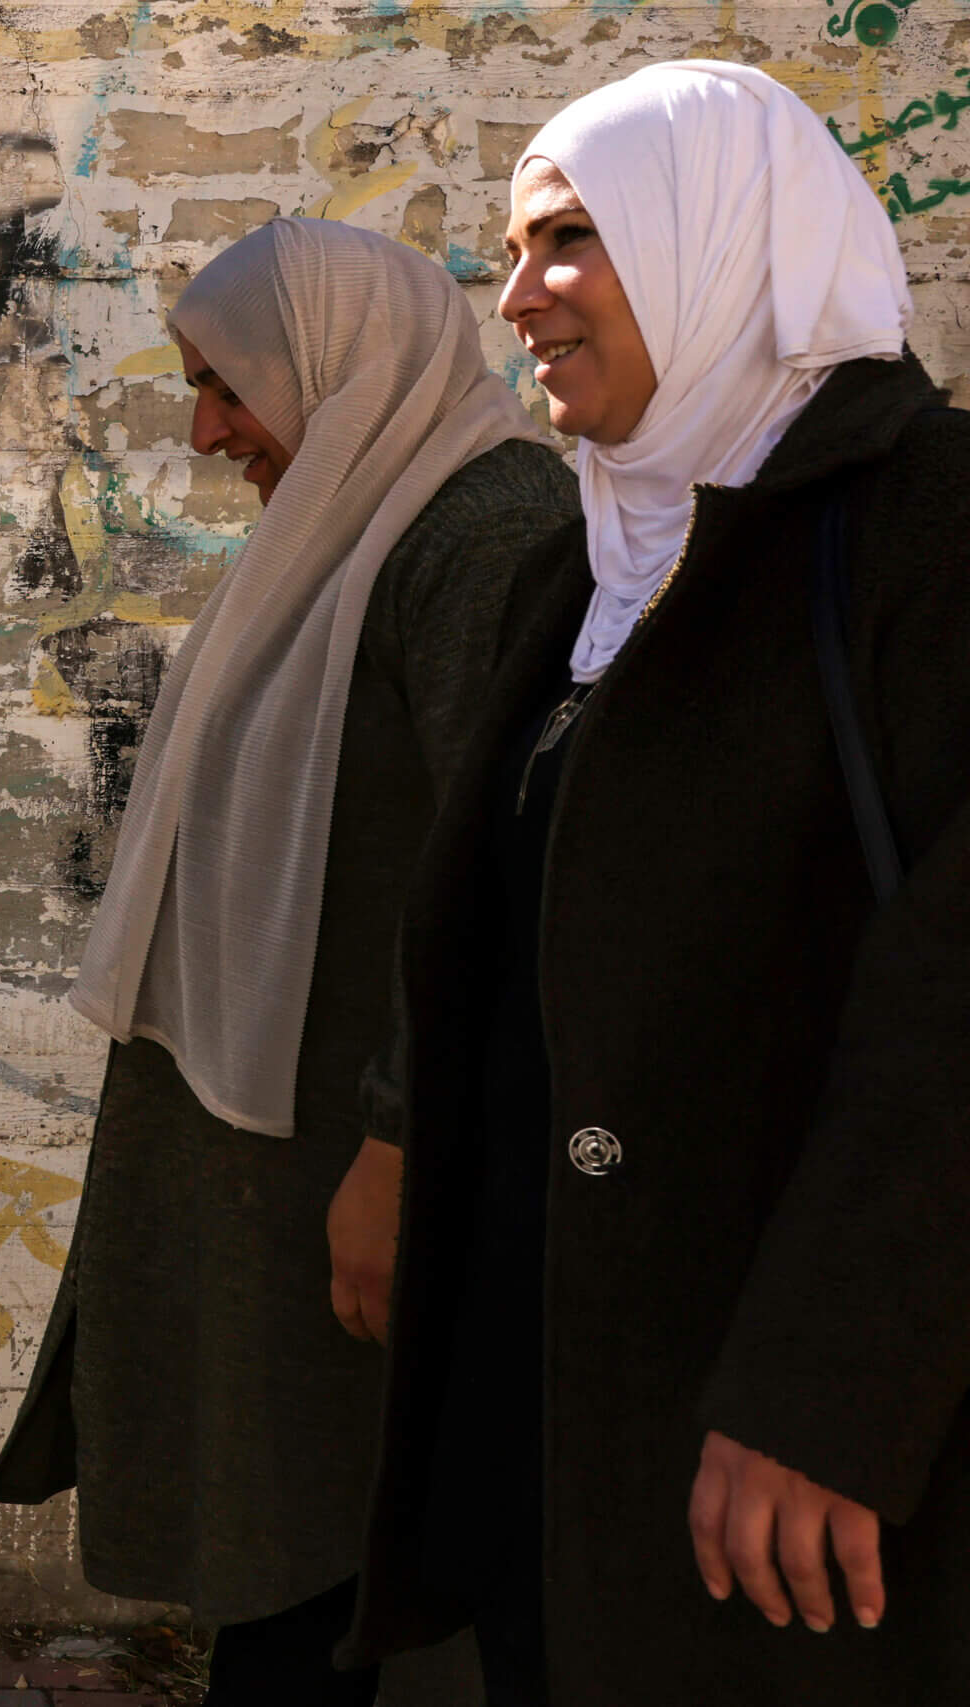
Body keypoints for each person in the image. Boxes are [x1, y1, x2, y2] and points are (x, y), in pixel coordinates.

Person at [342, 60, 970, 1705]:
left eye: (567, 241)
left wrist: (828, 1390)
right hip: (578, 1409)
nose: (520, 296)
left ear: (717, 238)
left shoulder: (925, 529)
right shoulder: (590, 562)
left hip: (799, 1450)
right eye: (512, 251)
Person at [0, 217, 576, 1706]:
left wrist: (398, 1140)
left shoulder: (483, 536)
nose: (206, 429)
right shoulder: (357, 525)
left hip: (360, 1178)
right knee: (320, 1556)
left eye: (230, 387)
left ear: (333, 363)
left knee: (346, 1562)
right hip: (295, 1171)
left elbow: (502, 878)